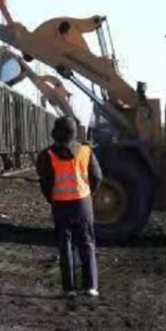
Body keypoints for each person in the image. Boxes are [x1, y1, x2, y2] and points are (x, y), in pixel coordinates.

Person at [36, 115, 102, 297]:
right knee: (87, 242)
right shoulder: (86, 151)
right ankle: (91, 286)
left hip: (60, 205)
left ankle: (69, 289)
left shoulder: (47, 155)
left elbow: (45, 182)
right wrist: (87, 193)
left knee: (65, 245)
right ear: (74, 133)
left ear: (54, 134)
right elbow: (97, 177)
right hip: (82, 204)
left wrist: (53, 198)